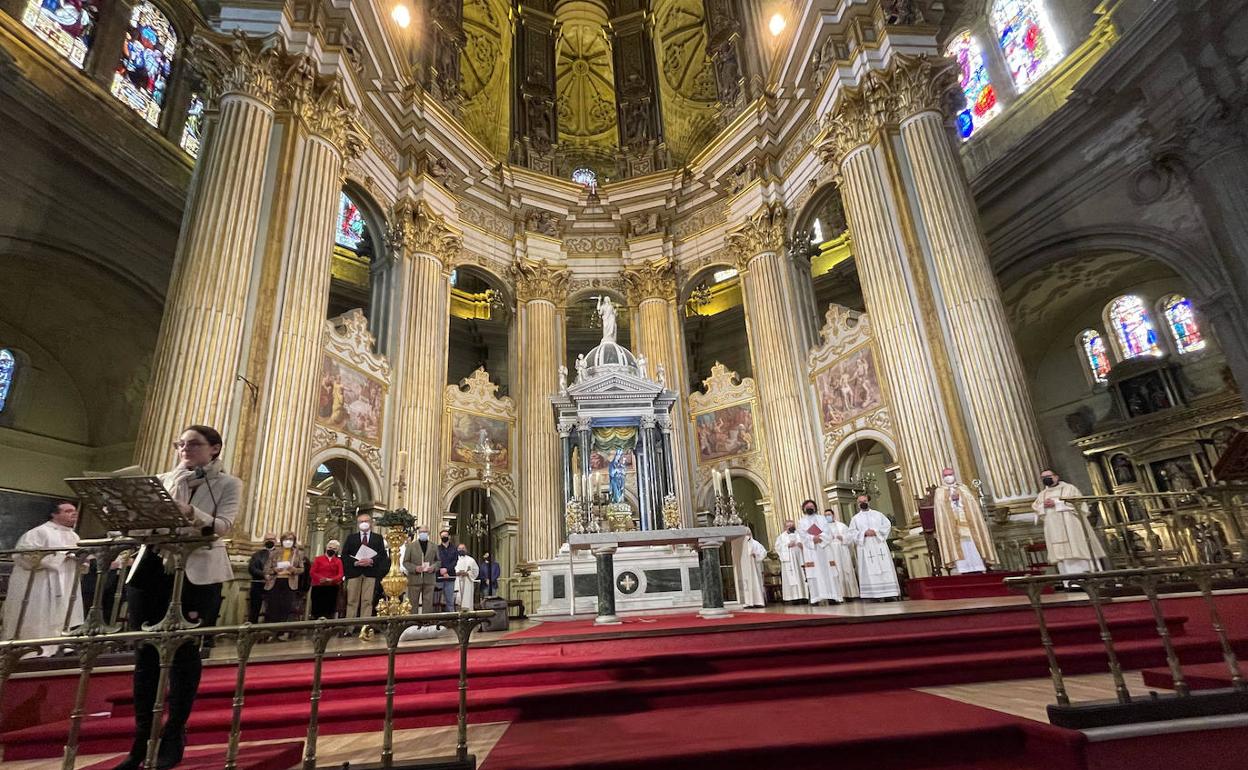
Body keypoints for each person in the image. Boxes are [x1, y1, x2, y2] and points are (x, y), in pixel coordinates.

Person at [114, 425, 240, 770]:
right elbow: (138, 522)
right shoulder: (161, 480)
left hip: (196, 574)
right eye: (181, 444)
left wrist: (190, 513)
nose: (185, 449)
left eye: (194, 444)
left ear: (214, 449)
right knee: (145, 656)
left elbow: (224, 525)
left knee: (184, 656)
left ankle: (174, 734)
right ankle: (141, 741)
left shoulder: (227, 484)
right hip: (152, 568)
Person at [1, 501, 82, 657]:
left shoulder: (74, 535)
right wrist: (59, 557)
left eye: (74, 511)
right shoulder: (39, 532)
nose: (74, 514)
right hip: (39, 583)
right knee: (37, 614)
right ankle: (30, 650)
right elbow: (23, 556)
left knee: (61, 613)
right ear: (54, 514)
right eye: (68, 511)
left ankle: (57, 644)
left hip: (64, 581)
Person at [1032, 469, 1106, 583]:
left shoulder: (1069, 488)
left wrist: (1056, 503)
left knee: (1078, 551)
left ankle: (1087, 581)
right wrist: (1043, 506)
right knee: (1062, 557)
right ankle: (1069, 584)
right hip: (1054, 529)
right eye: (1043, 478)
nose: (1046, 479)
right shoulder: (1042, 494)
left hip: (1072, 526)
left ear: (1056, 477)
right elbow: (1036, 508)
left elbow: (1079, 504)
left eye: (1048, 476)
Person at [932, 468, 997, 574]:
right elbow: (940, 510)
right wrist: (949, 500)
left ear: (954, 475)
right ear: (943, 477)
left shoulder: (963, 488)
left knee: (972, 544)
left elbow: (972, 504)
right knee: (960, 545)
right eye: (946, 475)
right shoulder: (940, 491)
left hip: (967, 522)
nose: (949, 477)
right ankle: (962, 568)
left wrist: (960, 499)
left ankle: (977, 565)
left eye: (950, 474)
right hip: (953, 525)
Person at [849, 495, 900, 601]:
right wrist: (864, 533)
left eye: (865, 501)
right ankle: (873, 595)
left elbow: (887, 525)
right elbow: (852, 532)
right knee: (869, 568)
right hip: (866, 546)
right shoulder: (855, 519)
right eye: (860, 502)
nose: (863, 503)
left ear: (869, 502)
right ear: (858, 504)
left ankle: (890, 593)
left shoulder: (878, 515)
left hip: (879, 544)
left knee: (885, 566)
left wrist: (876, 532)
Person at [341, 512, 388, 622]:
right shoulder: (351, 538)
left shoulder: (377, 538)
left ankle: (364, 626)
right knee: (352, 600)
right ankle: (349, 627)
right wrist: (355, 562)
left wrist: (371, 560)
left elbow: (382, 555)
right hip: (354, 573)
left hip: (370, 572)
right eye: (361, 522)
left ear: (371, 523)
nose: (364, 523)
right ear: (358, 524)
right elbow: (344, 555)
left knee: (367, 601)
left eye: (366, 521)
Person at [797, 500, 843, 604]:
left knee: (829, 573)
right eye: (807, 506)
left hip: (824, 549)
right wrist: (813, 539)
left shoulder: (822, 519)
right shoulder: (802, 521)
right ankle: (816, 598)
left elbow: (828, 531)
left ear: (815, 507)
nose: (810, 508)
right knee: (814, 573)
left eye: (811, 506)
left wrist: (820, 538)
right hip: (811, 551)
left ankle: (833, 597)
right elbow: (802, 534)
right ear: (804, 509)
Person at [263, 531, 305, 624]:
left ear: (294, 541)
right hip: (275, 581)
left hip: (289, 582)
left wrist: (293, 569)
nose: (288, 541)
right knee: (273, 607)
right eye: (286, 539)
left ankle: (280, 632)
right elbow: (266, 569)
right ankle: (269, 631)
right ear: (282, 541)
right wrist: (274, 570)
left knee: (285, 607)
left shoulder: (298, 553)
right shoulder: (275, 553)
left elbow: (301, 569)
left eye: (290, 539)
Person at [824, 508, 860, 600]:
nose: (827, 516)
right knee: (834, 571)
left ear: (833, 515)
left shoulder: (842, 526)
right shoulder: (822, 528)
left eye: (829, 514)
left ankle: (849, 594)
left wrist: (842, 537)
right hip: (831, 552)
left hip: (842, 550)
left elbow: (850, 537)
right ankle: (836, 595)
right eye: (826, 515)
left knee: (845, 570)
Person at [402, 526, 439, 613]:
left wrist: (433, 568)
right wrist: (415, 568)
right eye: (421, 532)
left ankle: (426, 622)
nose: (423, 534)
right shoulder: (411, 546)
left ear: (428, 533)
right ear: (419, 533)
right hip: (414, 579)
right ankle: (413, 622)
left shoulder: (434, 546)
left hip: (429, 579)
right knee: (413, 603)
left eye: (425, 532)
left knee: (428, 603)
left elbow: (439, 561)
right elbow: (405, 562)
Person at [309, 540, 344, 619]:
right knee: (317, 607)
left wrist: (331, 580)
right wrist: (321, 579)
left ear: (337, 550)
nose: (331, 549)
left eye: (334, 549)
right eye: (330, 547)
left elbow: (340, 574)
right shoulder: (318, 559)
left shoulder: (338, 561)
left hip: (332, 587)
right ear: (326, 547)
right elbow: (312, 572)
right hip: (318, 586)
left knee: (329, 608)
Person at [245, 533, 276, 624]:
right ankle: (252, 630)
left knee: (271, 609)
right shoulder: (257, 554)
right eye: (267, 539)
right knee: (254, 609)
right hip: (258, 584)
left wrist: (272, 575)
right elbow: (252, 568)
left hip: (273, 585)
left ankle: (267, 630)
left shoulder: (279, 554)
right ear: (264, 541)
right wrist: (264, 574)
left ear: (276, 541)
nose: (269, 541)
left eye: (272, 539)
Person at [773, 520, 806, 602]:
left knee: (801, 576)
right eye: (788, 526)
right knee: (791, 578)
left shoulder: (799, 535)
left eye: (792, 525)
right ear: (785, 527)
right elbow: (777, 547)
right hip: (788, 560)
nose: (790, 527)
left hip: (799, 559)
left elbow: (806, 544)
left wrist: (801, 545)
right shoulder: (781, 537)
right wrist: (787, 545)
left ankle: (804, 596)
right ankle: (793, 598)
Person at [738, 528, 768, 608]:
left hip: (754, 568)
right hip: (745, 569)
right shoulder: (740, 544)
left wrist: (756, 555)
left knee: (756, 583)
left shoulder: (755, 543)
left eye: (748, 533)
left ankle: (758, 601)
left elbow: (764, 552)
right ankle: (747, 602)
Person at [453, 545, 480, 610]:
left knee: (467, 600)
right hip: (457, 580)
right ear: (457, 550)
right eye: (459, 548)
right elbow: (450, 569)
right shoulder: (453, 559)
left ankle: (469, 617)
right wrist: (456, 573)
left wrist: (468, 573)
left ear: (466, 550)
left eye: (463, 548)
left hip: (467, 581)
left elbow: (476, 570)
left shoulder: (471, 560)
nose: (461, 550)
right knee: (457, 599)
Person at [436, 530, 457, 612]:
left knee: (450, 600)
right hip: (439, 576)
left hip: (450, 576)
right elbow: (435, 560)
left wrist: (446, 570)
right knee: (436, 601)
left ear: (449, 537)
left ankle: (451, 620)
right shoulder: (437, 549)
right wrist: (441, 569)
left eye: (445, 535)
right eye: (442, 536)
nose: (444, 537)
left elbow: (454, 561)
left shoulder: (454, 549)